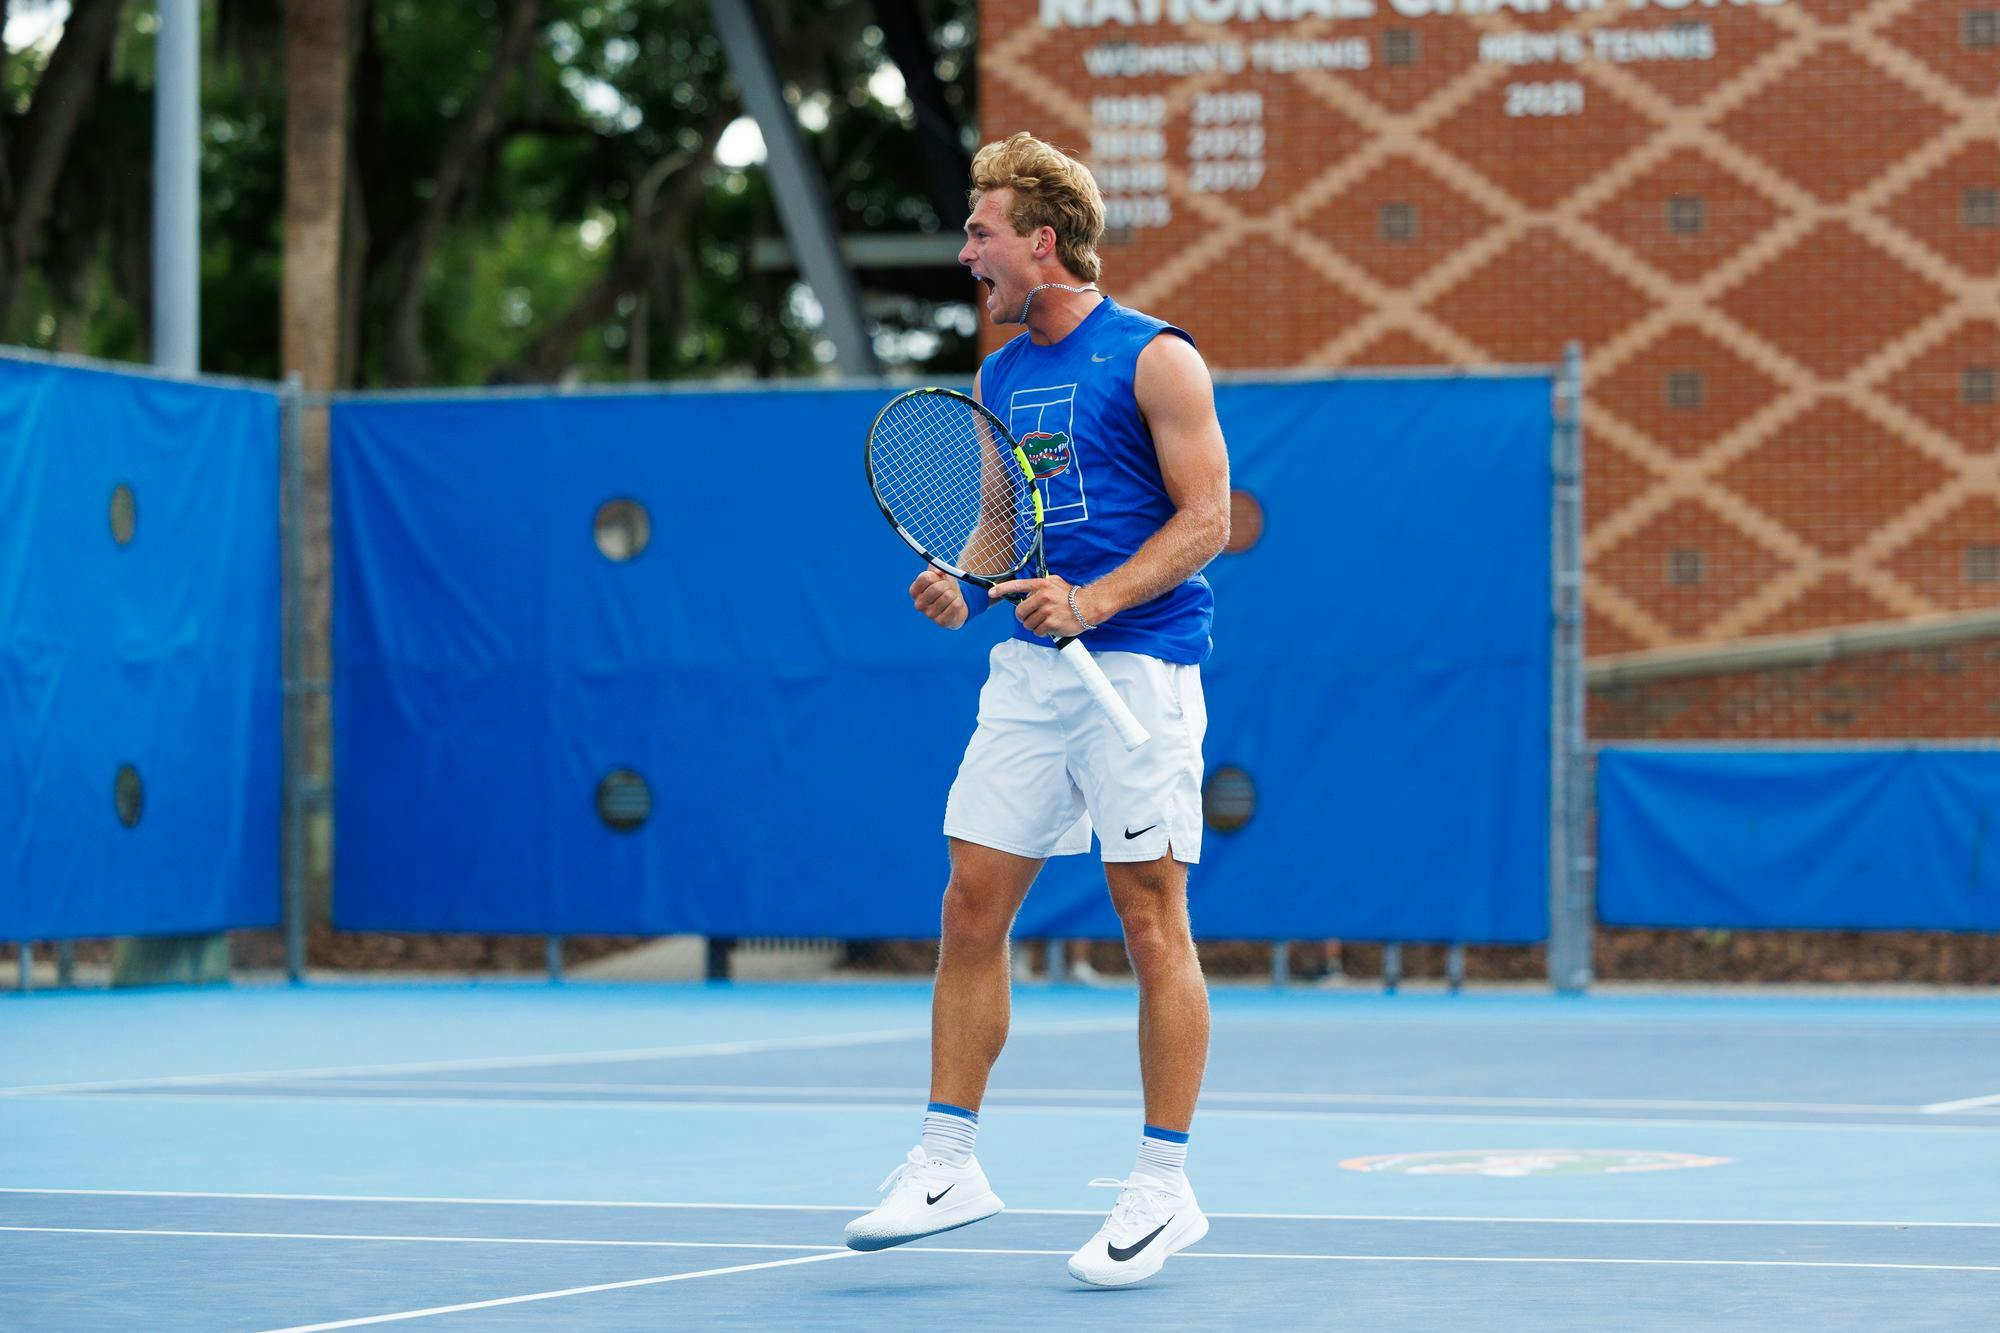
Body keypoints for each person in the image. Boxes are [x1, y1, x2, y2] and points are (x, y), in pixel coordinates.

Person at [844, 132, 1231, 1289]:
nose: (966, 251)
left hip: (1141, 672)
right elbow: (1002, 522)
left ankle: (1162, 1188)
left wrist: (1097, 599)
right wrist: (961, 578)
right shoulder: (998, 375)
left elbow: (1207, 517)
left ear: (1041, 243)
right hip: (1030, 675)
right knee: (970, 898)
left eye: (980, 232)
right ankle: (944, 1159)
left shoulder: (1157, 360)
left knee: (1145, 914)